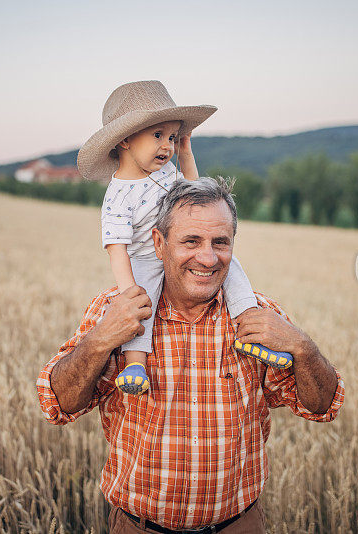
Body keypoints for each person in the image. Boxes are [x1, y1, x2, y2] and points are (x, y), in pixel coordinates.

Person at [37, 178, 345, 533]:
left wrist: (302, 347)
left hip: (238, 526)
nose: (208, 257)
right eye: (191, 241)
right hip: (140, 528)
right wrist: (99, 340)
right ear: (158, 243)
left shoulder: (257, 316)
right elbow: (57, 404)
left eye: (220, 242)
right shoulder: (117, 312)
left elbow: (323, 406)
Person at [77, 80, 293, 397]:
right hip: (146, 260)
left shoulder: (166, 173)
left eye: (172, 137)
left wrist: (186, 154)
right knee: (142, 310)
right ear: (124, 140)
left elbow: (195, 195)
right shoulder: (118, 197)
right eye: (158, 136)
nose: (167, 146)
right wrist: (128, 291)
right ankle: (135, 364)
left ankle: (251, 332)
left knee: (232, 270)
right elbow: (117, 250)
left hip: (183, 252)